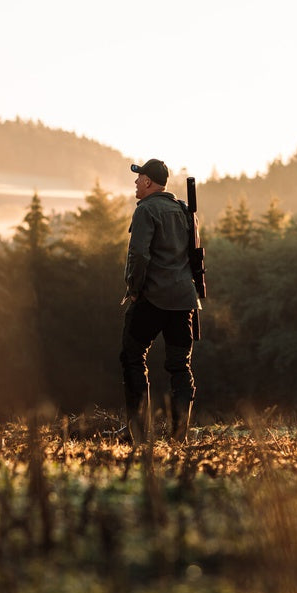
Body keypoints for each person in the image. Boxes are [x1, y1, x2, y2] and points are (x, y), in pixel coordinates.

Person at [120, 158, 199, 444]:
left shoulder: (146, 211)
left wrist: (134, 289)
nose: (136, 182)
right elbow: (195, 255)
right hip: (184, 301)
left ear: (149, 182)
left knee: (132, 356)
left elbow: (139, 255)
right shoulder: (183, 210)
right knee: (180, 366)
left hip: (152, 298)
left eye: (139, 178)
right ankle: (180, 437)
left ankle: (139, 434)